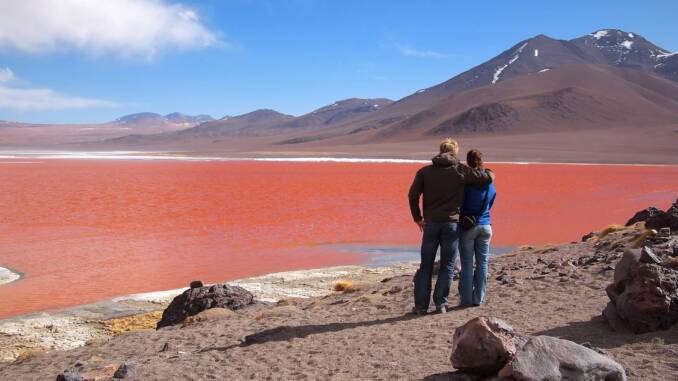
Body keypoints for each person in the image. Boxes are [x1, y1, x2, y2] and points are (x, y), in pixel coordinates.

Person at [408, 139, 495, 314]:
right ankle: (441, 304)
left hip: (431, 224)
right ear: (455, 153)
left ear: (440, 151)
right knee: (448, 264)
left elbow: (412, 195)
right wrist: (491, 173)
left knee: (426, 265)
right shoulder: (461, 171)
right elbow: (486, 177)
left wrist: (417, 218)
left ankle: (421, 306)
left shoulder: (425, 172)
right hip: (452, 225)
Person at [459, 149, 496, 307]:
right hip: (486, 226)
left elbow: (460, 203)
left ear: (468, 162)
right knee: (483, 263)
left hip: (468, 227)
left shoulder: (465, 183)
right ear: (482, 162)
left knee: (467, 263)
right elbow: (491, 203)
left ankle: (466, 299)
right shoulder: (490, 184)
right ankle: (478, 299)